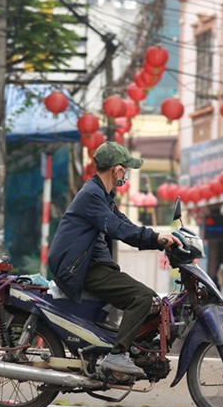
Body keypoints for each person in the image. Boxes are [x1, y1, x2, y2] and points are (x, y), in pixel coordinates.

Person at [48, 142, 177, 376]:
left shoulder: (102, 195)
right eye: (125, 169)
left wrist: (158, 240)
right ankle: (117, 355)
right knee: (143, 297)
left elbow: (126, 225)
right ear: (116, 169)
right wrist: (156, 237)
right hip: (81, 270)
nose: (126, 174)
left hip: (92, 266)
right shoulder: (92, 196)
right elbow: (118, 229)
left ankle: (123, 348)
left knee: (146, 298)